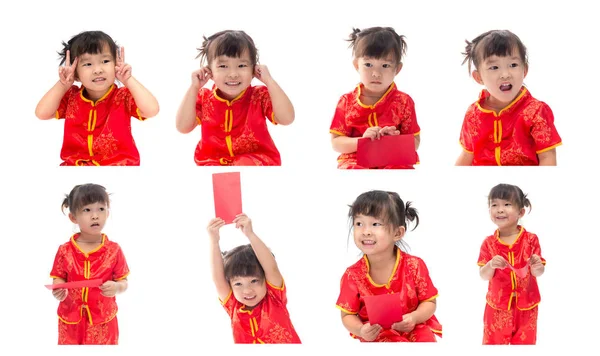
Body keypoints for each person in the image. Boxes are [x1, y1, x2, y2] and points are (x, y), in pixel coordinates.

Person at [35, 30, 159, 166]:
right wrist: (63, 85)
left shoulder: (123, 96)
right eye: (88, 64)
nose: (98, 70)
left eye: (105, 61)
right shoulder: (71, 97)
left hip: (118, 166)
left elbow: (151, 110)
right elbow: (42, 113)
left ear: (115, 64)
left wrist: (128, 80)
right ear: (76, 73)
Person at [176, 30, 294, 166]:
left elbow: (287, 118)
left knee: (243, 164)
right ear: (210, 72)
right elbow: (183, 127)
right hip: (212, 163)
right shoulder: (204, 98)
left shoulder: (259, 96)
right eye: (223, 66)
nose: (233, 74)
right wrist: (194, 88)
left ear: (253, 70)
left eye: (242, 65)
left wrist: (269, 81)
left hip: (257, 161)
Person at [336, 191, 441, 342]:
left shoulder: (414, 265)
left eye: (375, 224)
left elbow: (429, 302)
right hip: (375, 336)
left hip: (413, 330)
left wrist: (414, 317)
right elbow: (347, 315)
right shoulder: (352, 275)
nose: (366, 232)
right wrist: (360, 329)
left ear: (398, 233)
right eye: (359, 224)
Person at [456, 30, 561, 166]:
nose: (505, 74)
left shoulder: (536, 111)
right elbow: (466, 154)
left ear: (524, 70)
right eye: (494, 67)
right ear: (479, 77)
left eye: (513, 65)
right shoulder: (473, 114)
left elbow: (548, 156)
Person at [330, 27, 421, 169]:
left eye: (385, 65)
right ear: (356, 65)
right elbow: (336, 142)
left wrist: (393, 140)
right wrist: (363, 141)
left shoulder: (404, 102)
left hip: (393, 158)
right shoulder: (347, 102)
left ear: (397, 69)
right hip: (356, 159)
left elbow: (415, 142)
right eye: (368, 65)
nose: (376, 73)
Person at [49, 184, 129, 344]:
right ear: (73, 217)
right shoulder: (64, 250)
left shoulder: (114, 250)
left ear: (108, 212)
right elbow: (58, 278)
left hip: (103, 322)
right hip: (71, 322)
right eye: (87, 210)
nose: (95, 216)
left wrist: (117, 287)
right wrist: (59, 289)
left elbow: (123, 281)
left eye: (101, 209)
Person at [207, 214, 301, 343]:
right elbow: (218, 279)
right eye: (238, 283)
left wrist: (250, 234)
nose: (247, 290)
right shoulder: (233, 305)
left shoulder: (274, 299)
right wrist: (214, 241)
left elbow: (271, 268)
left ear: (265, 280)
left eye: (254, 281)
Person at [478, 183, 545, 344]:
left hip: (527, 306)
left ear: (521, 212)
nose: (500, 209)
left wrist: (537, 266)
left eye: (507, 204)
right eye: (494, 205)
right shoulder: (489, 243)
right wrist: (491, 265)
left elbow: (538, 272)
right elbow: (483, 275)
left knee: (525, 344)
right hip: (497, 307)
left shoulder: (531, 239)